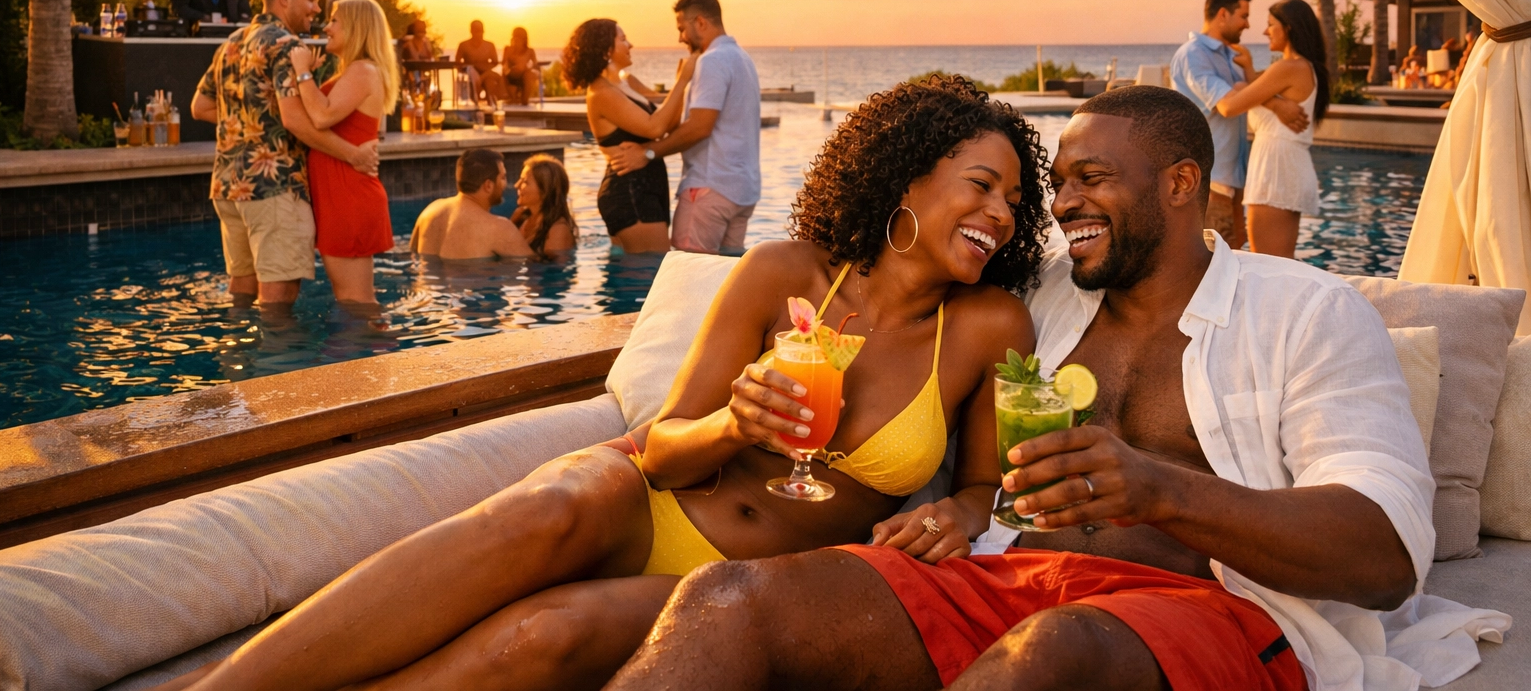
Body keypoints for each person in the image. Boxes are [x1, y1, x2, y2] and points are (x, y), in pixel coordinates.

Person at [158, 75, 1055, 691]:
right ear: (906, 175)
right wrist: (736, 426)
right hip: (644, 497)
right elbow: (665, 447)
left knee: (547, 637)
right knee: (544, 511)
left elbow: (983, 484)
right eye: (982, 185)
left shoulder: (984, 328)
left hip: (749, 577)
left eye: (1014, 202)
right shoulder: (784, 272)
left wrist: (963, 512)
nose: (1000, 214)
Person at [603, 85, 1436, 691]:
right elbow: (907, 301)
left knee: (1051, 652)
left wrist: (1162, 491)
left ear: (1181, 186)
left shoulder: (1307, 313)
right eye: (1061, 181)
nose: (1061, 204)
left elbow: (1385, 556)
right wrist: (955, 513)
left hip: (1211, 611)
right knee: (726, 601)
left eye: (1092, 179)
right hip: (1004, 580)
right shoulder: (1039, 300)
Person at [191, 0, 379, 309]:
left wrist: (251, 121)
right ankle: (276, 363)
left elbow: (200, 107)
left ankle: (238, 360)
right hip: (273, 187)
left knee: (242, 291)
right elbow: (295, 121)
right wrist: (352, 155)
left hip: (228, 186)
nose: (317, 9)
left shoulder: (231, 44)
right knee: (278, 301)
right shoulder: (285, 45)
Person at [608, 0, 762, 255]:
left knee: (687, 280)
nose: (680, 38)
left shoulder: (712, 61)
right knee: (724, 284)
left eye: (682, 29)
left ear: (700, 22)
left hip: (710, 189)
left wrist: (648, 153)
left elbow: (700, 126)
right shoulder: (743, 59)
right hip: (743, 191)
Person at [1170, 0, 1306, 249]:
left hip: (1235, 182)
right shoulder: (1193, 55)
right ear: (1223, 14)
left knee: (1235, 257)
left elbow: (1244, 95)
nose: (1247, 24)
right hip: (1210, 182)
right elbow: (1228, 105)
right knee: (1212, 266)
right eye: (1243, 16)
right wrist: (1277, 105)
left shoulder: (1233, 56)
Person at [286, 0, 400, 304]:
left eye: (335, 20)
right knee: (350, 298)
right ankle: (363, 351)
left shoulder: (363, 70)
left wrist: (302, 71)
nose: (327, 26)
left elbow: (322, 116)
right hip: (339, 189)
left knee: (356, 300)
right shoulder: (354, 71)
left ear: (356, 28)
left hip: (348, 191)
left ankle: (378, 352)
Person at [562, 18, 695, 254]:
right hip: (630, 193)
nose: (630, 44)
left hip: (646, 188)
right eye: (622, 39)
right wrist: (682, 80)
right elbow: (654, 128)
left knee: (641, 278)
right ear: (605, 50)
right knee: (651, 276)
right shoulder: (600, 92)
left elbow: (667, 124)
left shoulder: (627, 83)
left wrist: (683, 86)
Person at [1212, 0, 1330, 258]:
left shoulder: (1288, 67)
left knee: (1266, 264)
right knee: (1277, 263)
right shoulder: (1300, 68)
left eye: (1270, 25)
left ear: (1288, 28)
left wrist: (1239, 86)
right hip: (1285, 163)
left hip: (1275, 166)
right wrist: (1273, 102)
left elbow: (1229, 107)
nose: (1265, 32)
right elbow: (1266, 91)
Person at [410, 149, 533, 259]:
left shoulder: (429, 212)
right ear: (488, 185)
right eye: (503, 177)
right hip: (472, 284)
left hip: (424, 284)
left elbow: (412, 256)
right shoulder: (499, 227)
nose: (507, 184)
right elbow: (531, 268)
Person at [510, 153, 577, 258]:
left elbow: (556, 272)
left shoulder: (557, 231)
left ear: (544, 191)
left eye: (525, 182)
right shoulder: (520, 215)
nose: (517, 185)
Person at [454, 19, 509, 103]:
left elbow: (495, 62)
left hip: (486, 73)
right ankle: (474, 105)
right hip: (470, 74)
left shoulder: (489, 45)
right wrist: (467, 70)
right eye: (476, 30)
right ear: (471, 31)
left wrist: (483, 72)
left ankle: (492, 107)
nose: (479, 33)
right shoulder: (463, 45)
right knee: (472, 79)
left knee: (490, 82)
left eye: (480, 30)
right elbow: (457, 63)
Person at [501, 26, 541, 104]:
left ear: (524, 39)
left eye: (519, 37)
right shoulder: (508, 49)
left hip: (524, 76)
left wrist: (527, 67)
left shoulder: (530, 51)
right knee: (513, 101)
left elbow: (535, 66)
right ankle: (513, 98)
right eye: (515, 37)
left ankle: (524, 100)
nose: (516, 39)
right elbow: (504, 64)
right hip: (510, 76)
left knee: (529, 75)